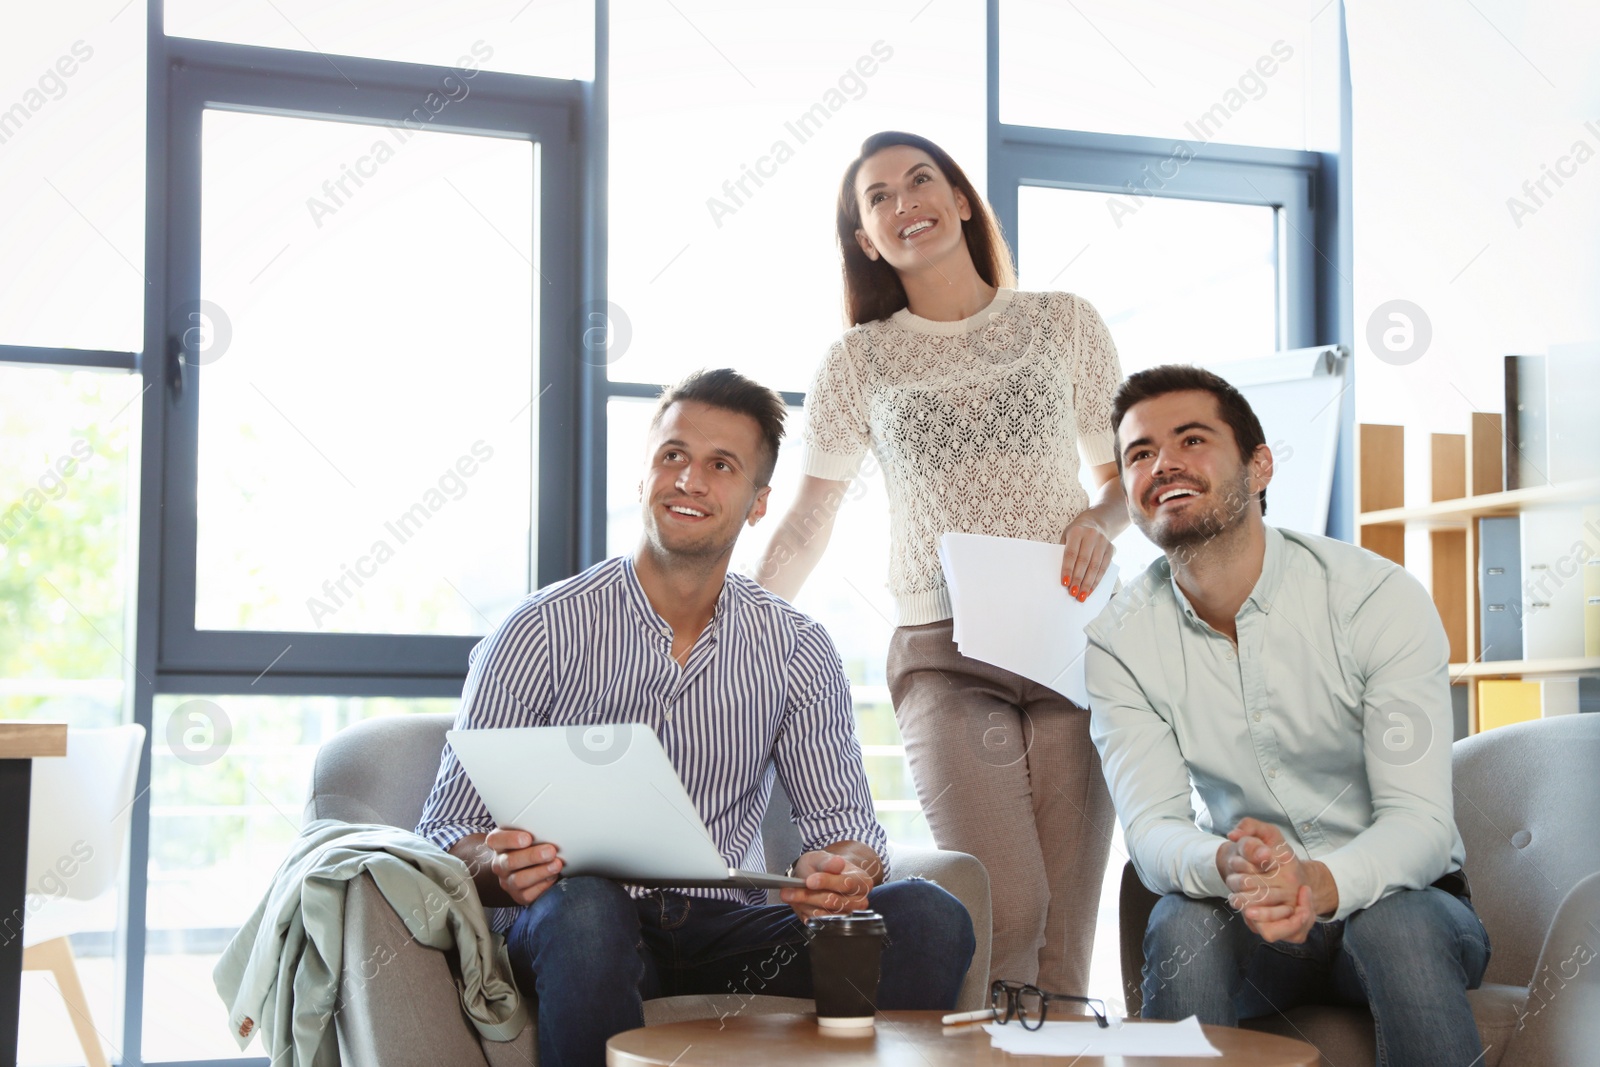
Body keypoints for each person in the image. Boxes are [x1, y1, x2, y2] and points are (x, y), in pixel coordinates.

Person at [415, 368, 974, 1067]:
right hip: (577, 927)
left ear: (758, 502)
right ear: (644, 473)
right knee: (588, 908)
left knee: (929, 916)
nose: (689, 481)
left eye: (721, 465)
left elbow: (849, 830)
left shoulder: (794, 645)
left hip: (729, 929)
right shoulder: (539, 630)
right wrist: (495, 863)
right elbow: (439, 831)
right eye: (672, 456)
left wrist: (841, 870)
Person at [756, 130, 1129, 995]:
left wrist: (1099, 519)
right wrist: (738, 613)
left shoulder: (1062, 322)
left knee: (1066, 935)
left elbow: (1121, 478)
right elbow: (811, 514)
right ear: (866, 239)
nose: (903, 202)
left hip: (1070, 638)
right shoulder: (860, 361)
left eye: (920, 180)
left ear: (961, 200)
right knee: (1008, 906)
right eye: (877, 198)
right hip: (944, 651)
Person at [1085, 365, 1489, 1065]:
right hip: (1256, 919)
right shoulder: (1118, 640)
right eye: (1139, 453)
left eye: (1191, 438)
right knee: (1183, 924)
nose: (1163, 464)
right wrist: (1230, 862)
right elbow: (1151, 830)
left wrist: (1319, 881)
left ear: (1260, 464)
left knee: (1395, 927)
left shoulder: (1372, 599)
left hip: (1404, 905)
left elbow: (1420, 826)